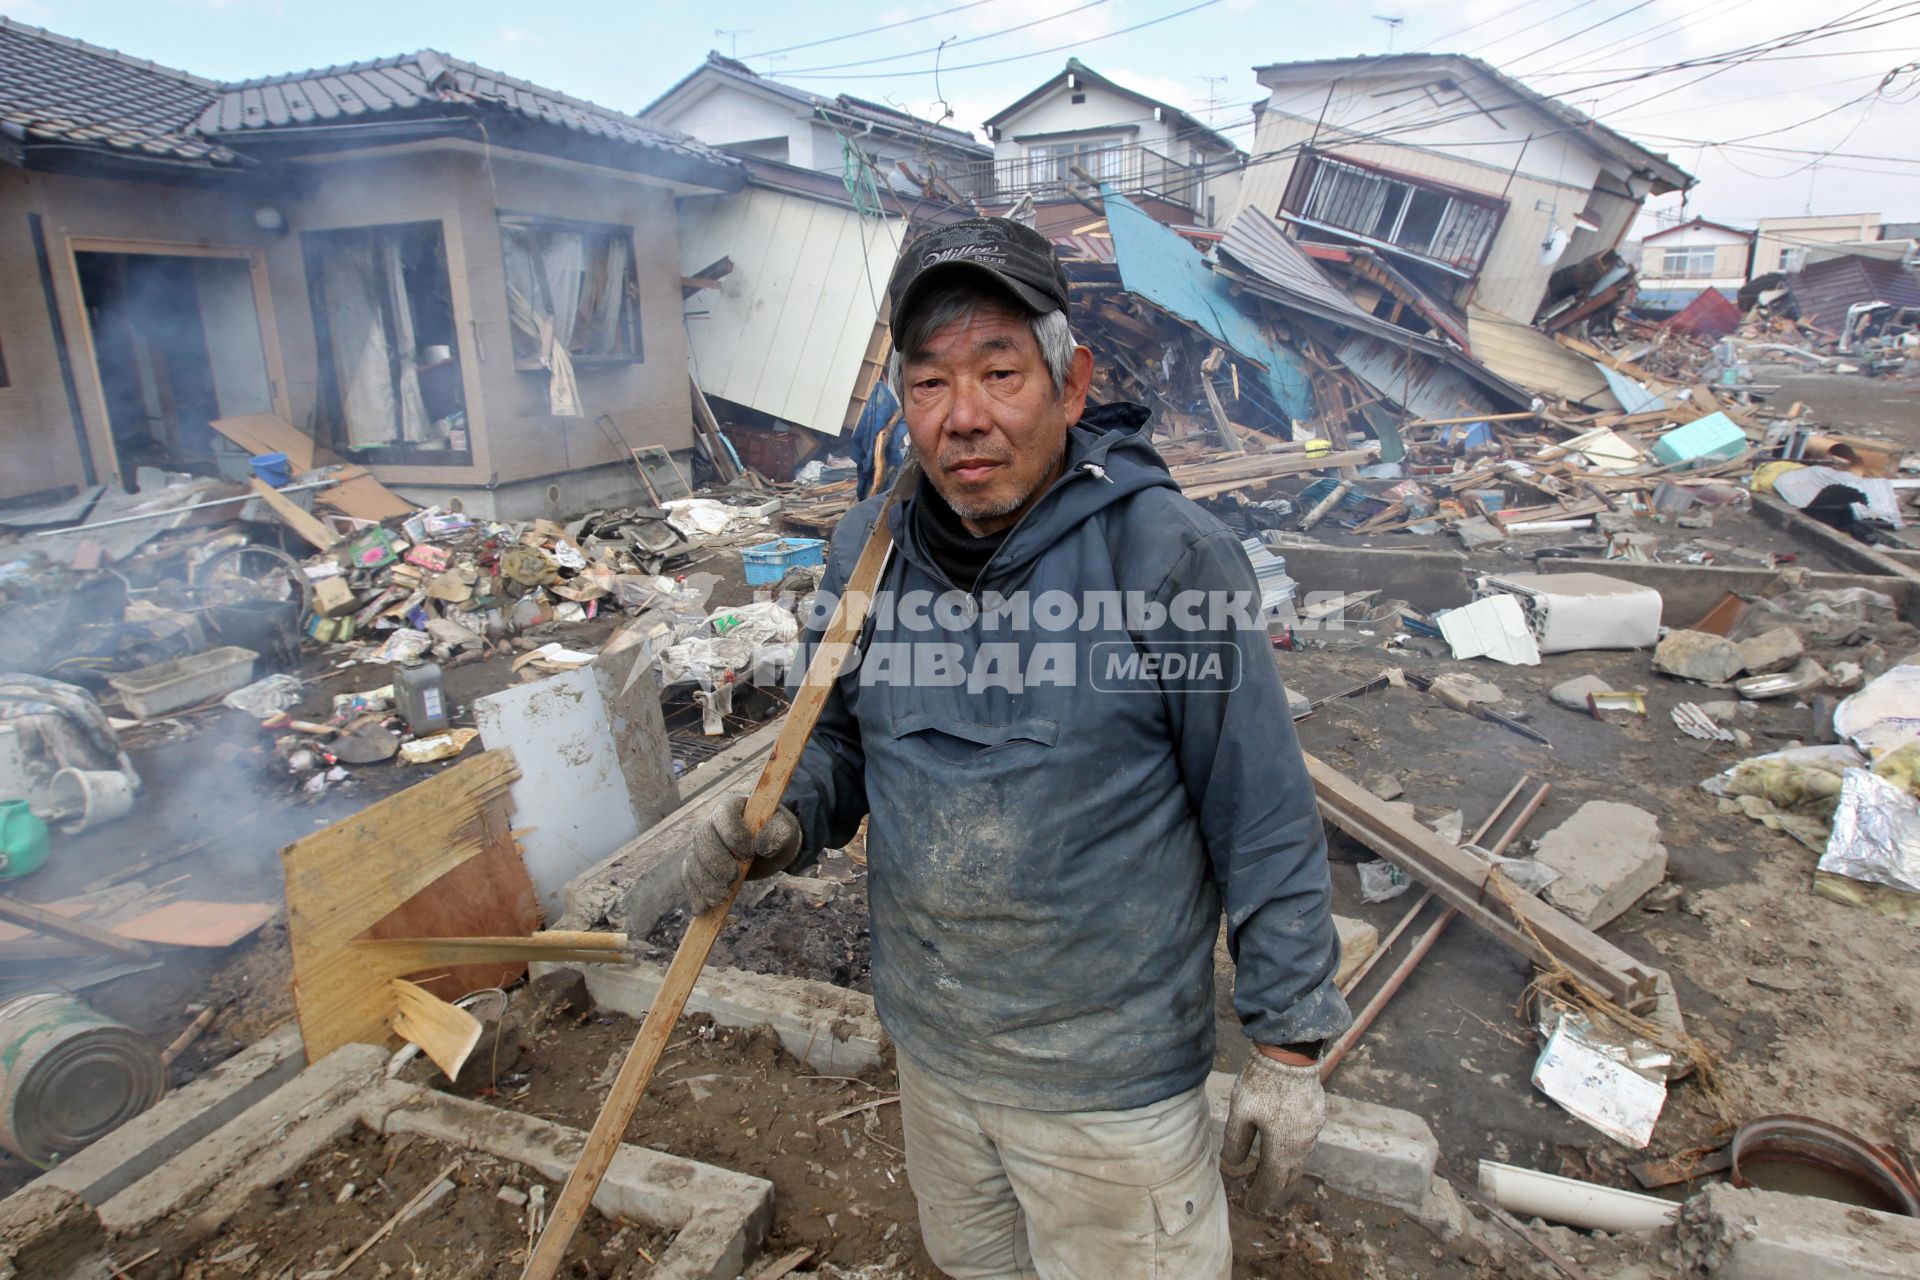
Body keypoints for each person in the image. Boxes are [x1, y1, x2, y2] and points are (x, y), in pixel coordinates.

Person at [684, 216, 1351, 1279]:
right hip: (938, 1055)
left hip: (1113, 1087)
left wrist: (1286, 1045)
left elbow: (1259, 807)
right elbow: (843, 738)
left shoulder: (1165, 558)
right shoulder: (868, 555)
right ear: (902, 402)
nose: (966, 418)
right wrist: (786, 814)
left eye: (1000, 372)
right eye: (931, 384)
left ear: (1072, 384)